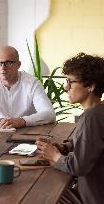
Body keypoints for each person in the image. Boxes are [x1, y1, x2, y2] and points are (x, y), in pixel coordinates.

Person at [36, 53, 104, 203]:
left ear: (90, 86)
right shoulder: (98, 111)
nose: (66, 88)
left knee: (41, 195)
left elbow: (78, 166)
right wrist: (64, 147)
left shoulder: (91, 117)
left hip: (91, 197)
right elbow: (87, 144)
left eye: (70, 82)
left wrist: (54, 155)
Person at [0, 46, 55, 128]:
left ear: (18, 65)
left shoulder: (32, 83)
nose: (3, 68)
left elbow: (49, 114)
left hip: (26, 132)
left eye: (8, 63)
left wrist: (22, 121)